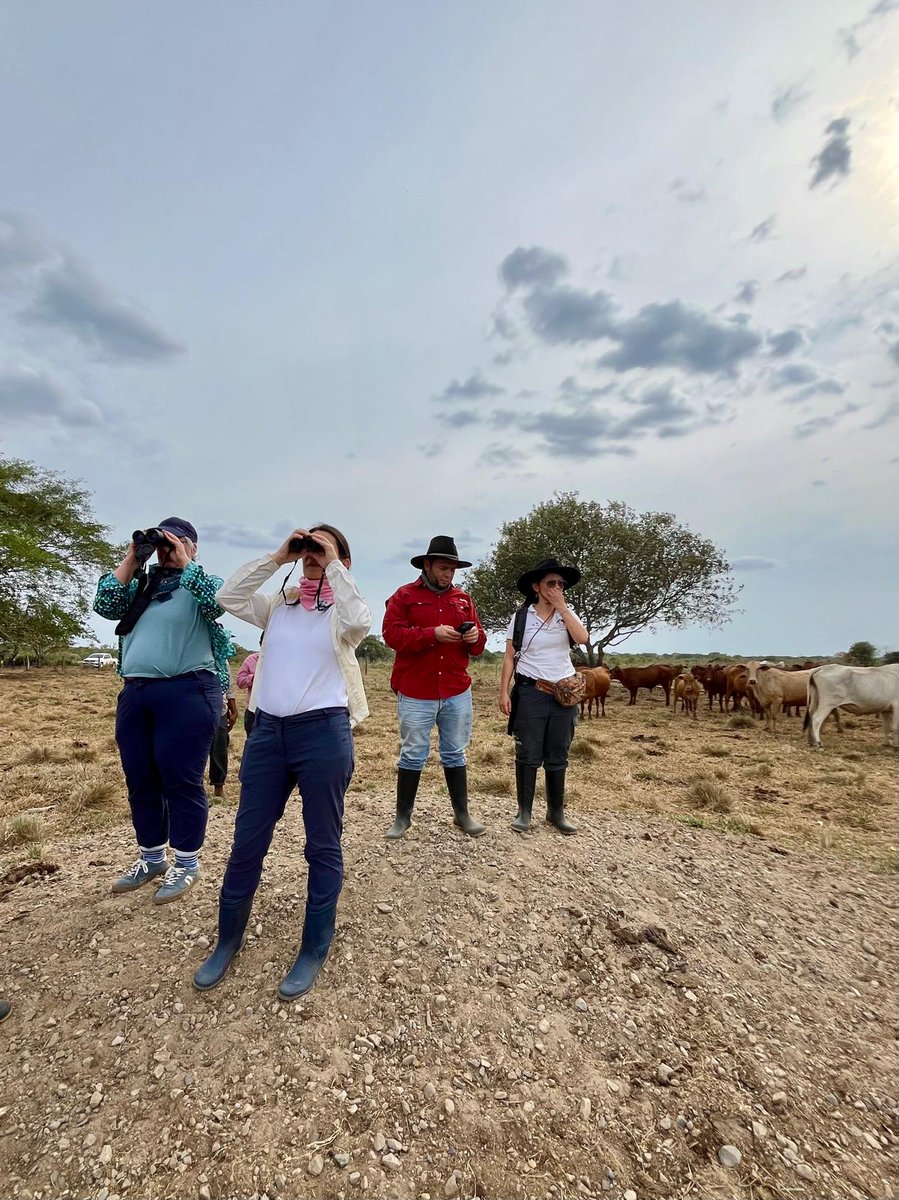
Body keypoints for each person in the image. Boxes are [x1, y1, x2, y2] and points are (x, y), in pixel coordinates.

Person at [193, 524, 370, 997]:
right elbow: (229, 596)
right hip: (267, 733)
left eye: (323, 548)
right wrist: (278, 556)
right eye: (307, 548)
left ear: (342, 562)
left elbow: (362, 622)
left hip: (324, 733)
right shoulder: (279, 604)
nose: (312, 554)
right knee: (247, 841)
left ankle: (314, 947)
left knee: (322, 845)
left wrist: (333, 563)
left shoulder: (341, 612)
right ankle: (227, 940)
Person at [93, 517, 233, 903]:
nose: (168, 549)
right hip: (136, 691)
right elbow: (104, 605)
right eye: (164, 543)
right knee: (140, 778)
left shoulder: (203, 582)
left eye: (180, 542)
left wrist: (185, 560)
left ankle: (187, 864)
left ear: (195, 548)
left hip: (188, 690)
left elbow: (218, 604)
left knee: (181, 778)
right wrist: (132, 558)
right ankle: (152, 857)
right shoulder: (141, 583)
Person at [382, 535, 487, 840]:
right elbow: (392, 636)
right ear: (427, 565)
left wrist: (474, 638)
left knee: (455, 752)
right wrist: (432, 634)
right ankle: (403, 817)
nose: (448, 574)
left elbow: (478, 646)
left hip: (456, 690)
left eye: (452, 569)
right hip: (416, 690)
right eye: (443, 567)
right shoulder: (403, 596)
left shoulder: (463, 600)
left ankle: (462, 814)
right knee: (413, 753)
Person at [499, 558, 589, 836]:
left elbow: (583, 638)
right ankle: (524, 812)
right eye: (551, 583)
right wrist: (503, 691)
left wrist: (563, 607)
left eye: (561, 584)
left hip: (564, 694)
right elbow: (510, 656)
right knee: (527, 753)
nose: (557, 588)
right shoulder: (522, 616)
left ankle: (556, 813)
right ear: (536, 586)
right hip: (530, 692)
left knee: (558, 752)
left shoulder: (567, 614)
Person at [208, 667, 238, 798]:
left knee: (219, 747)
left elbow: (228, 686)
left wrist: (234, 710)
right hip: (194, 707)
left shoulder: (222, 657)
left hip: (220, 709)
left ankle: (218, 787)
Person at [236, 647, 260, 734]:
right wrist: (253, 678)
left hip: (274, 714)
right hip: (253, 711)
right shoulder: (252, 659)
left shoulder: (282, 662)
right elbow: (239, 682)